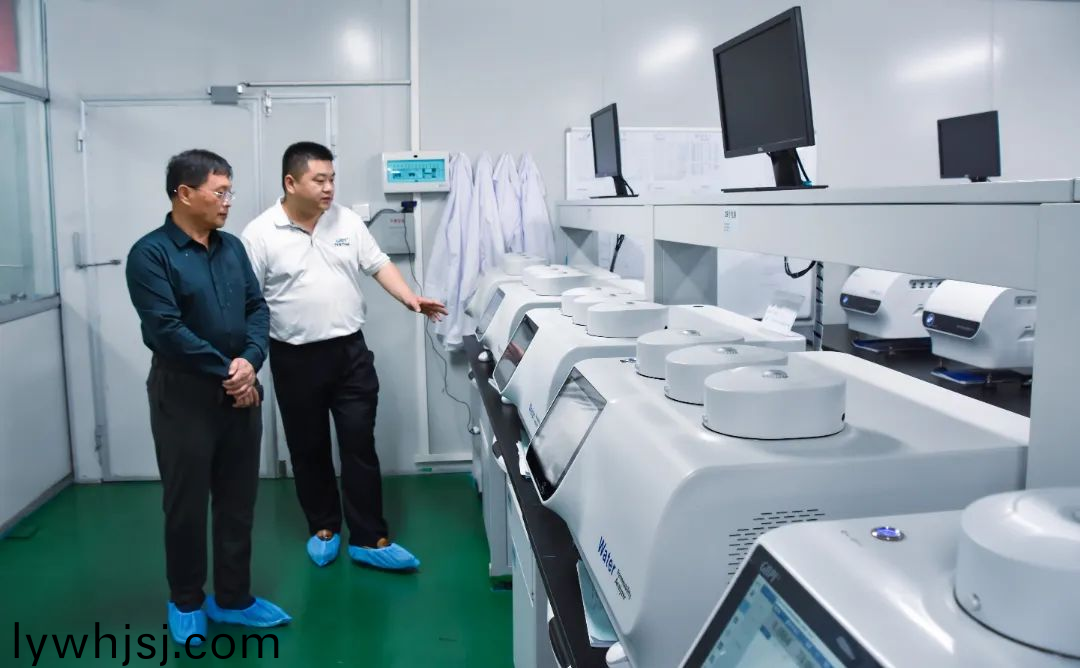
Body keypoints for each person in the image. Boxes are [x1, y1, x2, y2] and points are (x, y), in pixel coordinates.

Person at [242, 141, 447, 570]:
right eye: (319, 180)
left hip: (349, 352)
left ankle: (369, 538)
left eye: (332, 179)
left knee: (359, 443)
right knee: (308, 447)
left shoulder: (347, 221)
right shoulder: (260, 234)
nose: (329, 188)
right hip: (293, 356)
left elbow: (378, 264)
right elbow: (249, 300)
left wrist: (409, 297)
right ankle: (323, 526)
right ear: (291, 182)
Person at [126, 149, 291, 647]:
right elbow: (166, 329)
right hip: (184, 396)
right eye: (219, 192)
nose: (228, 201)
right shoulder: (151, 254)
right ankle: (186, 601)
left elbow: (257, 308)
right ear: (184, 194)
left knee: (238, 500)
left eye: (229, 191)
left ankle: (234, 599)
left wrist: (251, 362)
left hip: (242, 389)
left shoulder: (232, 248)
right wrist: (229, 371)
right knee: (187, 503)